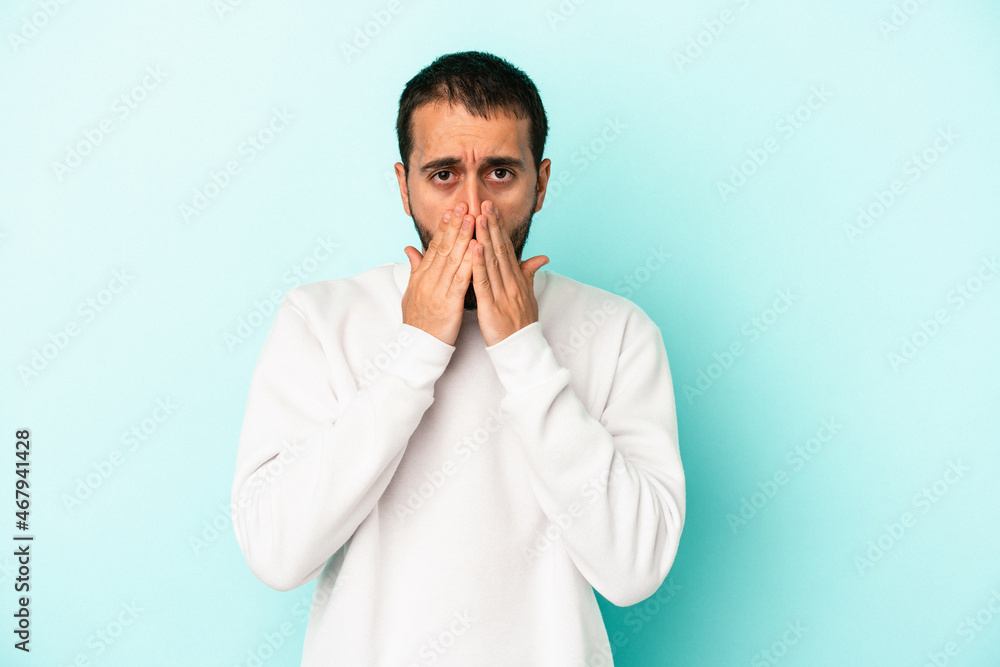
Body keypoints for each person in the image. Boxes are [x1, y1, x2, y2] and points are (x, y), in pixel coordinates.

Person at [231, 50, 685, 666]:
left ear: (541, 183)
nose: (473, 210)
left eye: (500, 173)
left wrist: (523, 350)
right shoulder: (319, 320)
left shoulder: (619, 331)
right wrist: (415, 351)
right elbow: (277, 554)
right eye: (444, 174)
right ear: (404, 186)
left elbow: (634, 570)